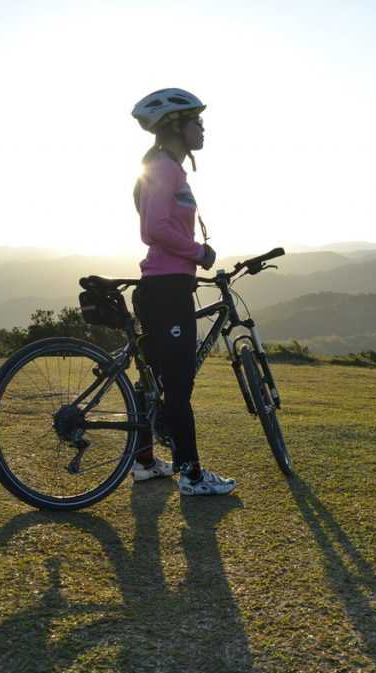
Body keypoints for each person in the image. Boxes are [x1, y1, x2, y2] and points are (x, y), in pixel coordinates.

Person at [128, 87, 236, 495]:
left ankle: (145, 462)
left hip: (165, 286)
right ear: (175, 126)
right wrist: (199, 252)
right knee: (177, 386)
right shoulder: (164, 167)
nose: (203, 128)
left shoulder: (164, 165)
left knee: (156, 381)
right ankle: (191, 475)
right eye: (197, 121)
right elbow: (153, 229)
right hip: (167, 289)